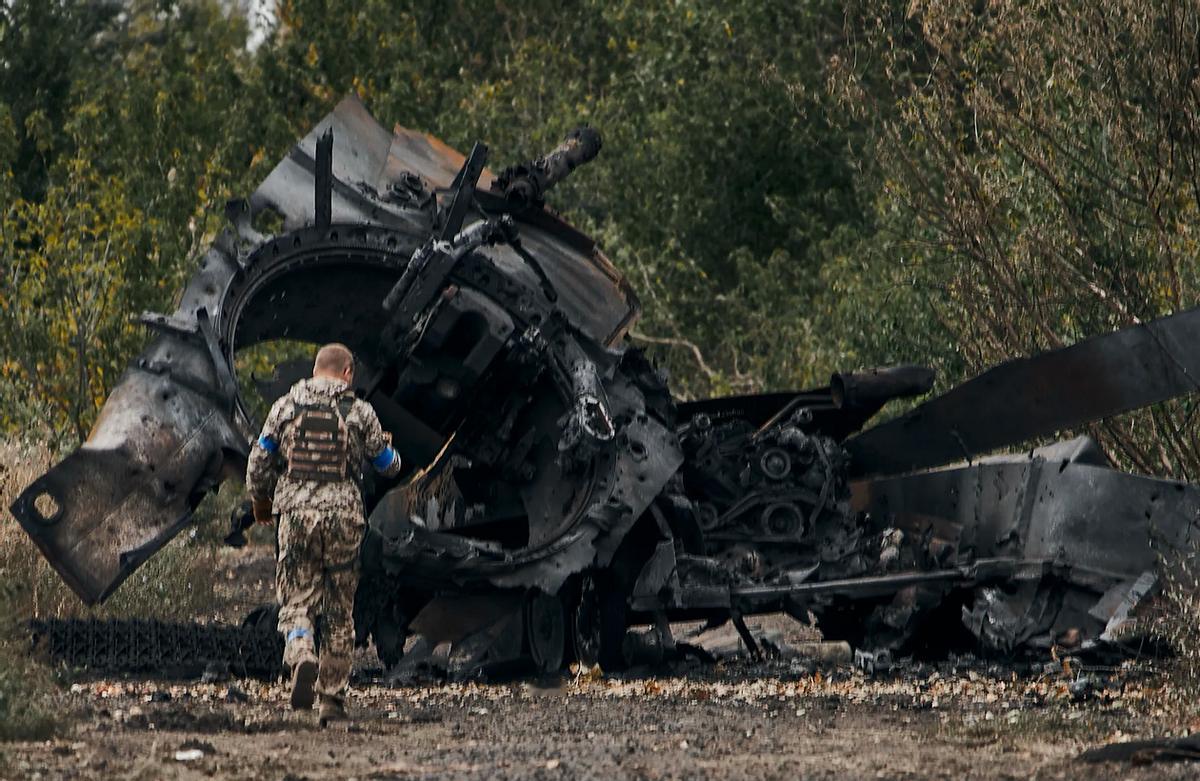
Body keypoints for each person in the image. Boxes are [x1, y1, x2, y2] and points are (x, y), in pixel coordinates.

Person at [245, 343, 401, 725]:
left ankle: (301, 653)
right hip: (344, 518)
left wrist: (263, 505)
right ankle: (331, 700)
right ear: (347, 372)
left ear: (316, 370)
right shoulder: (360, 412)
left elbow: (259, 462)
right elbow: (387, 466)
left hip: (296, 516)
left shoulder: (285, 407)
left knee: (297, 598)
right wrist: (391, 452)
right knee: (339, 610)